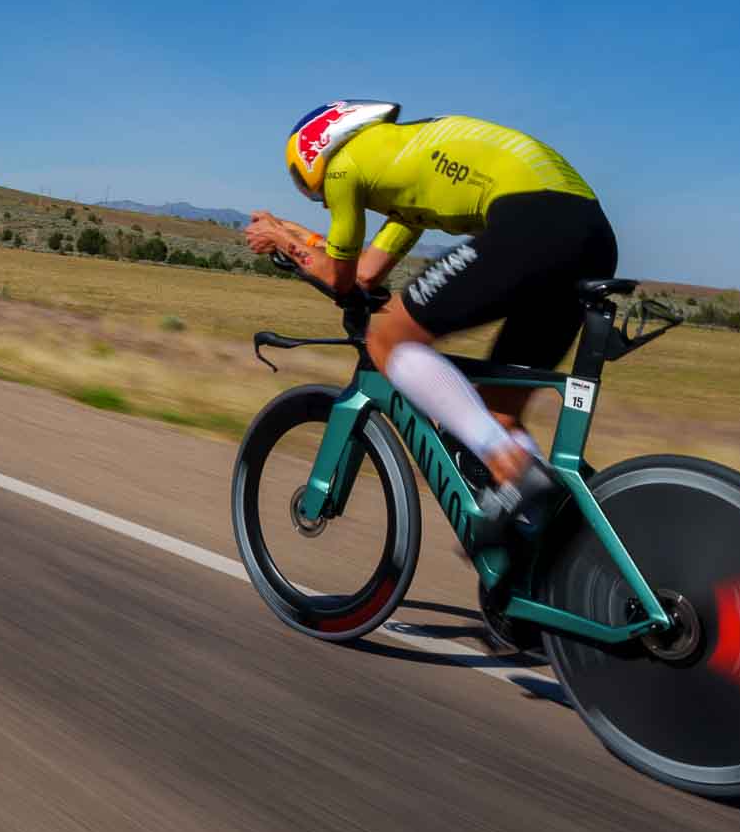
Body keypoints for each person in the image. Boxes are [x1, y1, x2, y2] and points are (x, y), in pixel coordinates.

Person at [247, 102, 618, 533]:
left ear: (314, 148)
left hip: (535, 220)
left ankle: (513, 470)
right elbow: (366, 271)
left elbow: (341, 279)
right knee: (498, 413)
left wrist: (278, 237)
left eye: (301, 181)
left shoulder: (344, 167)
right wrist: (290, 234)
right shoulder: (402, 182)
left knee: (387, 341)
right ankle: (558, 539)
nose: (314, 195)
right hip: (589, 232)